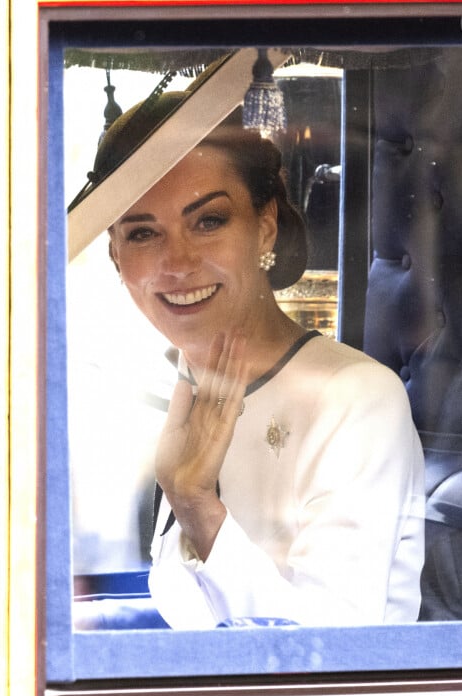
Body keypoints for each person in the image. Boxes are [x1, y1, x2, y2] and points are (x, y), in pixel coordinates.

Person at [74, 84, 425, 630]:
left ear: (264, 224)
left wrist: (196, 504)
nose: (178, 262)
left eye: (209, 221)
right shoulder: (183, 388)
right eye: (143, 233)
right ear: (116, 255)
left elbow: (328, 660)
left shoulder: (355, 399)